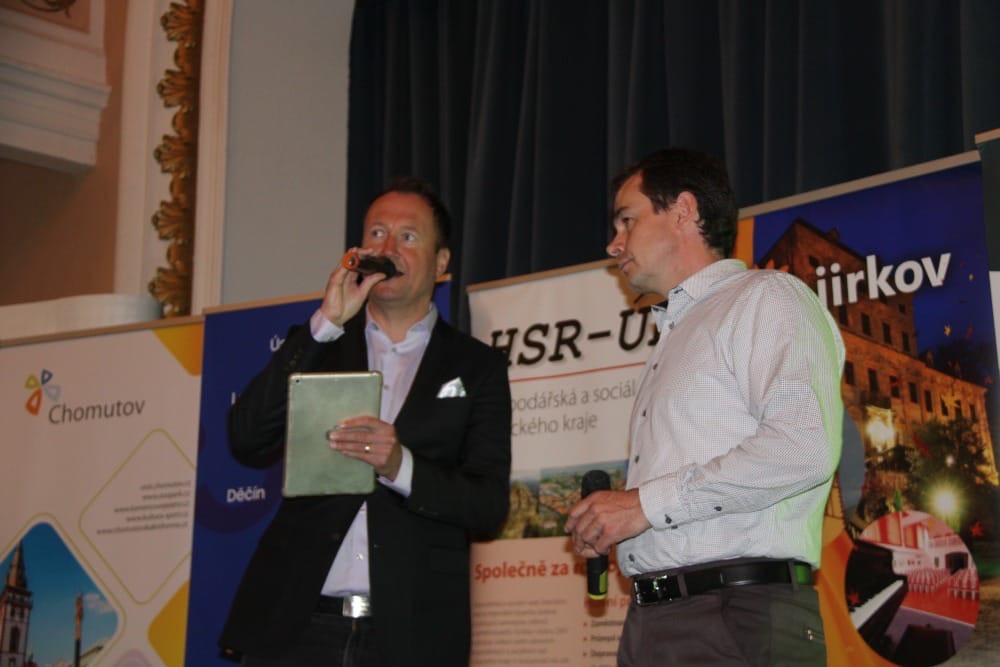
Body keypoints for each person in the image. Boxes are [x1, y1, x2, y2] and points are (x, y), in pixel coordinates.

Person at [565, 148, 844, 666]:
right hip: (654, 620)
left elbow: (803, 447)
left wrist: (642, 506)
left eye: (627, 220)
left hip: (737, 615)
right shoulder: (675, 334)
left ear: (683, 211)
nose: (613, 243)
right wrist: (617, 523)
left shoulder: (766, 297)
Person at [219, 177, 512, 665]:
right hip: (296, 628)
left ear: (442, 263)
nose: (387, 248)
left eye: (408, 236)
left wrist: (400, 465)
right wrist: (326, 322)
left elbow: (487, 505)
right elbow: (245, 437)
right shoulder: (319, 343)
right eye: (376, 233)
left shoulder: (477, 367)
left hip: (408, 636)